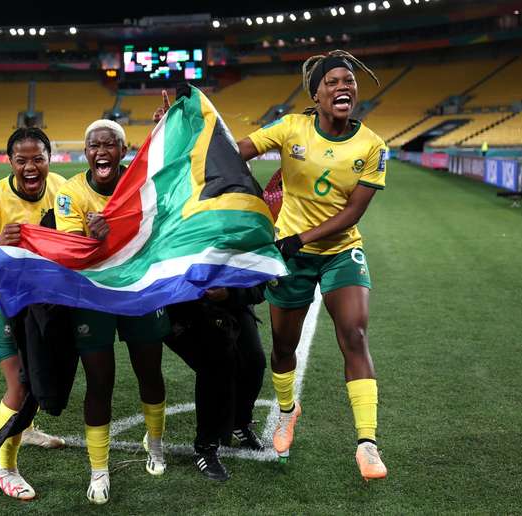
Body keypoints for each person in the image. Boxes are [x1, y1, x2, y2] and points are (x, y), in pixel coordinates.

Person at [155, 49, 389, 480]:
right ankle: (286, 413)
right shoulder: (290, 127)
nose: (344, 87)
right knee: (283, 348)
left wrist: (300, 237)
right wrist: (182, 130)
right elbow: (234, 151)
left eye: (349, 81)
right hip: (292, 258)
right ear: (315, 93)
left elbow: (353, 213)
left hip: (339, 251)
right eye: (333, 81)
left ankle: (368, 442)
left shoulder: (372, 146)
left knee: (354, 333)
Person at [54, 120, 168, 505]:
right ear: (86, 153)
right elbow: (70, 249)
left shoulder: (142, 184)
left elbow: (160, 230)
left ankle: (155, 444)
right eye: (93, 146)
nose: (101, 151)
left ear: (122, 150)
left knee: (149, 372)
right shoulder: (70, 192)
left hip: (139, 290)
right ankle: (99, 470)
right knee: (100, 382)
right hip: (93, 295)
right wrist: (91, 237)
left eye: (109, 145)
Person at [0, 127, 67, 501]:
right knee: (21, 384)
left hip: (37, 298)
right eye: (21, 160)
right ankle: (5, 469)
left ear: (49, 159)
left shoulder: (61, 189)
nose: (30, 167)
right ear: (10, 161)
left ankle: (27, 427)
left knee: (38, 370)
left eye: (37, 158)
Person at [164, 285, 266, 482]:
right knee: (216, 363)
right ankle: (205, 446)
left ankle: (240, 422)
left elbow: (261, 288)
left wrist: (230, 294)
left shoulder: (250, 254)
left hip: (230, 302)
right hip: (182, 307)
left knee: (254, 361)